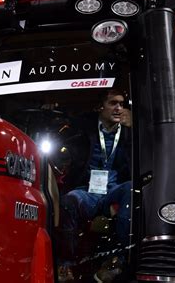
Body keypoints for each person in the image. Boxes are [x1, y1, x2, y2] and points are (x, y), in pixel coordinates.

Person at [57, 88, 132, 282]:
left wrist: (133, 128)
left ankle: (119, 260)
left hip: (114, 190)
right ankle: (67, 265)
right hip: (88, 191)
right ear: (100, 107)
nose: (118, 108)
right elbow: (64, 140)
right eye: (113, 103)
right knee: (69, 201)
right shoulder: (84, 128)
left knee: (131, 189)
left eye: (121, 104)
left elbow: (138, 161)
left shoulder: (128, 131)